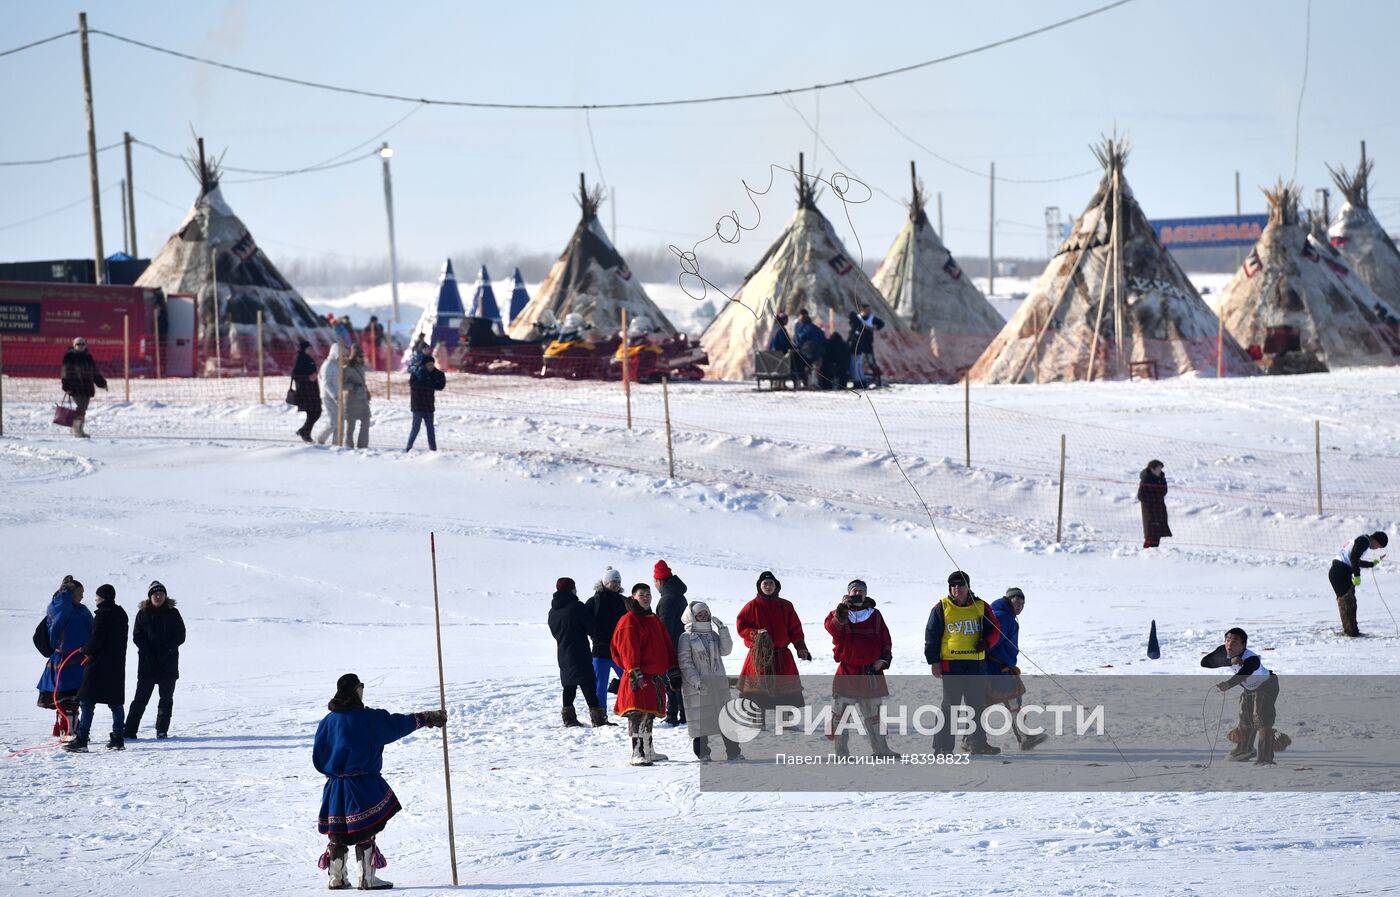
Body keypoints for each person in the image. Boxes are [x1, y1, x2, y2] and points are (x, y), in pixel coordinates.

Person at [313, 673, 445, 889]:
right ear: (356, 690)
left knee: (338, 833)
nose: (362, 690)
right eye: (361, 686)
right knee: (365, 830)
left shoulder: (326, 722)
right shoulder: (367, 719)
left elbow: (319, 756)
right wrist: (426, 718)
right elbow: (395, 725)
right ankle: (367, 878)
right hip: (361, 784)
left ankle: (336, 878)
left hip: (335, 786)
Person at [923, 570, 1001, 755]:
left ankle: (978, 745)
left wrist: (986, 643)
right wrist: (934, 661)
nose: (957, 588)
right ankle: (942, 747)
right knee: (950, 707)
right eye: (953, 585)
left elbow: (996, 630)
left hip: (976, 665)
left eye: (960, 584)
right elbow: (931, 636)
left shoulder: (981, 606)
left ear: (968, 586)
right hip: (951, 665)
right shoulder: (942, 607)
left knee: (976, 706)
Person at [824, 579, 897, 758]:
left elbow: (886, 640)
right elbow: (833, 630)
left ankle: (881, 750)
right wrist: (842, 610)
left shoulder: (875, 615)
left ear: (865, 594)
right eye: (854, 591)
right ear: (848, 593)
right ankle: (842, 753)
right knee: (841, 717)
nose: (857, 593)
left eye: (861, 591)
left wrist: (883, 660)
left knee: (874, 717)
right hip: (847, 672)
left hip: (870, 672)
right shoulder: (838, 613)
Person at [611, 583, 680, 766]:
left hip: (654, 677)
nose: (646, 597)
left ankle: (648, 750)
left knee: (649, 715)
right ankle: (636, 752)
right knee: (637, 715)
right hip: (637, 676)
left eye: (648, 594)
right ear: (633, 597)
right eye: (642, 594)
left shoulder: (653, 619)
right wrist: (634, 670)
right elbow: (627, 648)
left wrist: (672, 668)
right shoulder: (629, 620)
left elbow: (666, 644)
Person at [1201, 627, 1287, 765]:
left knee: (1261, 719)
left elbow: (1243, 675)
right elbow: (1205, 662)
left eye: (1235, 642)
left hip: (1267, 685)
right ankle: (1245, 749)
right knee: (1245, 719)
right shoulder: (1224, 650)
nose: (1229, 644)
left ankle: (1265, 758)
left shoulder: (1252, 659)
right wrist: (1230, 661)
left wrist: (1228, 684)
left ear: (1243, 645)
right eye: (1227, 640)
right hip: (1249, 688)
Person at [736, 570, 810, 713]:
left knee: (786, 695)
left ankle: (786, 721)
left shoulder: (786, 605)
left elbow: (795, 629)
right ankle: (757, 720)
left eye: (771, 583)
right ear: (759, 586)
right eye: (765, 583)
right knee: (757, 695)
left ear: (776, 586)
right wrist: (755, 634)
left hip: (782, 656)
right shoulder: (752, 606)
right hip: (759, 657)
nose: (768, 586)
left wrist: (800, 647)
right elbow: (741, 627)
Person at [677, 600, 742, 761]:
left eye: (706, 613)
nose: (704, 616)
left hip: (717, 683)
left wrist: (723, 630)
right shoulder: (686, 637)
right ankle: (703, 753)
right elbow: (685, 663)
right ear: (692, 616)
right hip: (698, 686)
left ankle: (734, 752)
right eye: (700, 613)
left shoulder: (713, 635)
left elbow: (726, 650)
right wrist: (696, 681)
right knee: (701, 721)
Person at [67, 584, 129, 753]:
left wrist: (84, 649)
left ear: (102, 597)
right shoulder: (121, 614)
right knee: (116, 703)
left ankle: (81, 740)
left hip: (98, 665)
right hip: (116, 665)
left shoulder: (102, 615)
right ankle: (118, 739)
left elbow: (96, 641)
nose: (95, 599)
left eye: (97, 596)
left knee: (87, 702)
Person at [984, 587, 1046, 750]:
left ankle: (1024, 737)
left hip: (998, 667)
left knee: (1005, 701)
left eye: (1022, 603)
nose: (1019, 606)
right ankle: (1024, 738)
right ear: (1008, 600)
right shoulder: (1004, 617)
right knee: (1009, 700)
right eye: (1016, 601)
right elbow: (992, 641)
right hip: (997, 668)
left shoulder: (1001, 614)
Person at [124, 580, 187, 739]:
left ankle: (162, 730)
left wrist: (168, 650)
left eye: (161, 594)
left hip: (168, 663)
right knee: (140, 699)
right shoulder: (143, 613)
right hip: (147, 663)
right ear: (150, 596)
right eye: (155, 594)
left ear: (165, 596)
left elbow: (180, 635)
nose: (158, 597)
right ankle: (129, 731)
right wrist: (148, 652)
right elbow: (137, 636)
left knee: (166, 699)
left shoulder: (173, 613)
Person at [37, 575, 94, 740]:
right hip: (63, 662)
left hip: (80, 660)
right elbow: (60, 614)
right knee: (66, 698)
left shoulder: (81, 610)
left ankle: (73, 729)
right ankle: (68, 731)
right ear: (70, 594)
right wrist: (65, 591)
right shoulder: (59, 607)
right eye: (79, 593)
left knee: (76, 698)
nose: (82, 596)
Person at [547, 577, 602, 727]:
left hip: (563, 652)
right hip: (579, 651)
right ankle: (598, 719)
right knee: (588, 684)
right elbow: (591, 627)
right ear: (572, 589)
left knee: (569, 686)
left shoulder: (552, 611)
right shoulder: (576, 606)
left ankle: (569, 718)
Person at [585, 567, 627, 725]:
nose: (616, 584)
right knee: (600, 686)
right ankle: (600, 718)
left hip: (620, 651)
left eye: (618, 581)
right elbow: (584, 623)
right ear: (605, 582)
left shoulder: (624, 601)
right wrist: (595, 635)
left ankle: (632, 709)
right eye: (613, 581)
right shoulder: (594, 601)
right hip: (600, 650)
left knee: (629, 680)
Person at [1329, 531, 1387, 637]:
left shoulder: (1362, 540)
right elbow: (1354, 558)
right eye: (1378, 546)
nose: (1376, 548)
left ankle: (1351, 631)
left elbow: (1355, 560)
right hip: (1340, 572)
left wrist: (1370, 564)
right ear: (1376, 540)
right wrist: (1357, 575)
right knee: (1348, 603)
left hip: (1338, 571)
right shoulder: (1364, 541)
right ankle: (1351, 632)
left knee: (1348, 602)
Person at [653, 560, 689, 726]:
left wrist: (661, 647)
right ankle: (678, 713)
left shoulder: (667, 599)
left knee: (672, 681)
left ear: (660, 581)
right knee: (677, 680)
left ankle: (676, 714)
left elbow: (665, 628)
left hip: (671, 646)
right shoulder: (679, 595)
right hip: (681, 644)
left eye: (655, 581)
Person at [60, 336, 107, 438]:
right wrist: (66, 386)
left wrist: (102, 383)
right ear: (74, 345)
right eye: (78, 344)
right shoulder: (69, 356)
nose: (80, 346)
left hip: (87, 387)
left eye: (82, 344)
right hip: (75, 387)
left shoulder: (88, 357)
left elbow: (95, 372)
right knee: (81, 407)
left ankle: (80, 429)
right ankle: (75, 428)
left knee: (83, 408)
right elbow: (65, 372)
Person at [405, 354, 446, 452]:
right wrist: (428, 381)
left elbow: (440, 385)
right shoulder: (417, 373)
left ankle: (433, 449)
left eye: (432, 364)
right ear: (424, 365)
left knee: (430, 429)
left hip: (429, 405)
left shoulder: (434, 374)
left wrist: (439, 376)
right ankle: (409, 447)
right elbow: (414, 384)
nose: (431, 366)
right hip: (418, 406)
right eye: (429, 365)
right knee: (416, 428)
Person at [847, 302, 885, 388]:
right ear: (862, 310)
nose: (869, 312)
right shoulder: (857, 318)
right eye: (867, 310)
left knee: (871, 362)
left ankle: (877, 379)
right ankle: (861, 379)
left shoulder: (872, 318)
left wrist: (872, 328)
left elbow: (881, 324)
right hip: (859, 343)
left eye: (869, 310)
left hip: (868, 344)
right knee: (859, 364)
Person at [291, 339, 322, 444]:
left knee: (316, 412)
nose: (312, 350)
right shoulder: (300, 359)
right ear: (304, 349)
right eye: (309, 348)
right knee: (314, 412)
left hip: (312, 390)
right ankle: (305, 433)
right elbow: (295, 375)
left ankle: (304, 431)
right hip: (305, 391)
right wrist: (308, 378)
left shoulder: (309, 359)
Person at [341, 345, 372, 449]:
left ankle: (363, 446)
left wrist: (366, 391)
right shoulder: (347, 369)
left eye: (363, 356)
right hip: (352, 401)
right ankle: (348, 445)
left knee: (366, 421)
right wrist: (353, 387)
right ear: (354, 356)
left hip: (363, 400)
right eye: (360, 356)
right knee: (351, 426)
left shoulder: (361, 367)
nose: (362, 358)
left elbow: (362, 381)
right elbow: (341, 385)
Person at [315, 342, 345, 445]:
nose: (342, 357)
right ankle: (320, 438)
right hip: (328, 397)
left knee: (340, 420)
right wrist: (335, 396)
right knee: (334, 421)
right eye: (340, 355)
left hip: (337, 397)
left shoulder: (336, 366)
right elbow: (326, 384)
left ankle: (337, 442)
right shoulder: (327, 365)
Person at [1137, 460, 1171, 548]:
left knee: (1157, 536)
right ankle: (1146, 554)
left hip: (1159, 511)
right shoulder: (1146, 480)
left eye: (1161, 469)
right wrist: (1153, 499)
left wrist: (1162, 479)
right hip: (1150, 512)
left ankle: (1153, 554)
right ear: (1152, 469)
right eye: (1158, 468)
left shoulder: (1160, 479)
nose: (1160, 471)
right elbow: (1141, 496)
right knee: (1151, 536)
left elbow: (1163, 492)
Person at [793, 308, 826, 387]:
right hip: (817, 353)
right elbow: (823, 338)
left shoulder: (800, 329)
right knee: (815, 365)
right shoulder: (815, 328)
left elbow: (797, 342)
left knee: (797, 361)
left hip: (805, 354)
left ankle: (803, 381)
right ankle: (816, 382)